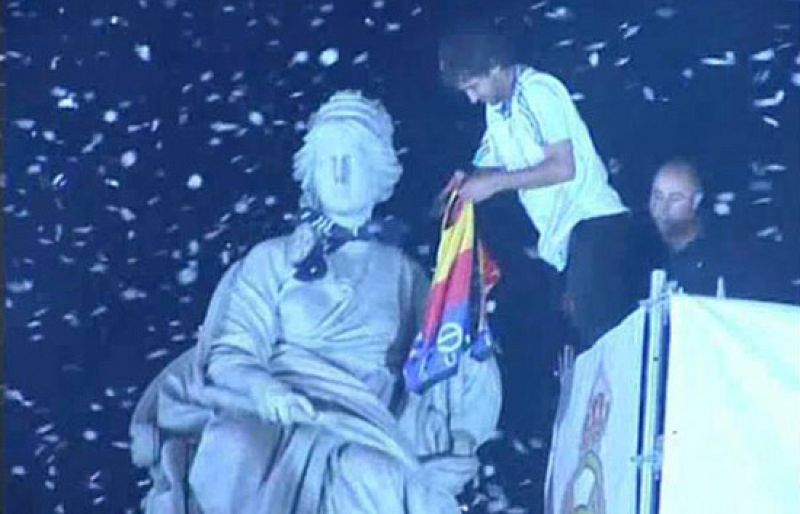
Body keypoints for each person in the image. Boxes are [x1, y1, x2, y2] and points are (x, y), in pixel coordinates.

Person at [129, 91, 502, 514]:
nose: (341, 171)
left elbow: (444, 357)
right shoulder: (272, 259)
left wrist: (467, 318)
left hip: (366, 422)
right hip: (274, 414)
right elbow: (230, 355)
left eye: (354, 158)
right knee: (234, 449)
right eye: (329, 159)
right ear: (311, 173)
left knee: (372, 475)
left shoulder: (405, 273)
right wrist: (268, 392)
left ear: (379, 174)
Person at [438, 32, 643, 348]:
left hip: (595, 228)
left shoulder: (538, 92)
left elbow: (563, 167)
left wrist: (493, 184)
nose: (472, 98)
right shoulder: (496, 111)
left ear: (494, 67)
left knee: (603, 344)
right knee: (580, 346)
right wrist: (464, 181)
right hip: (563, 245)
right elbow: (491, 163)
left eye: (473, 87)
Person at [647, 157, 789, 301]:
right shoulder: (641, 249)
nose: (663, 207)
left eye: (675, 199)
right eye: (658, 196)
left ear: (696, 201)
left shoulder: (725, 255)